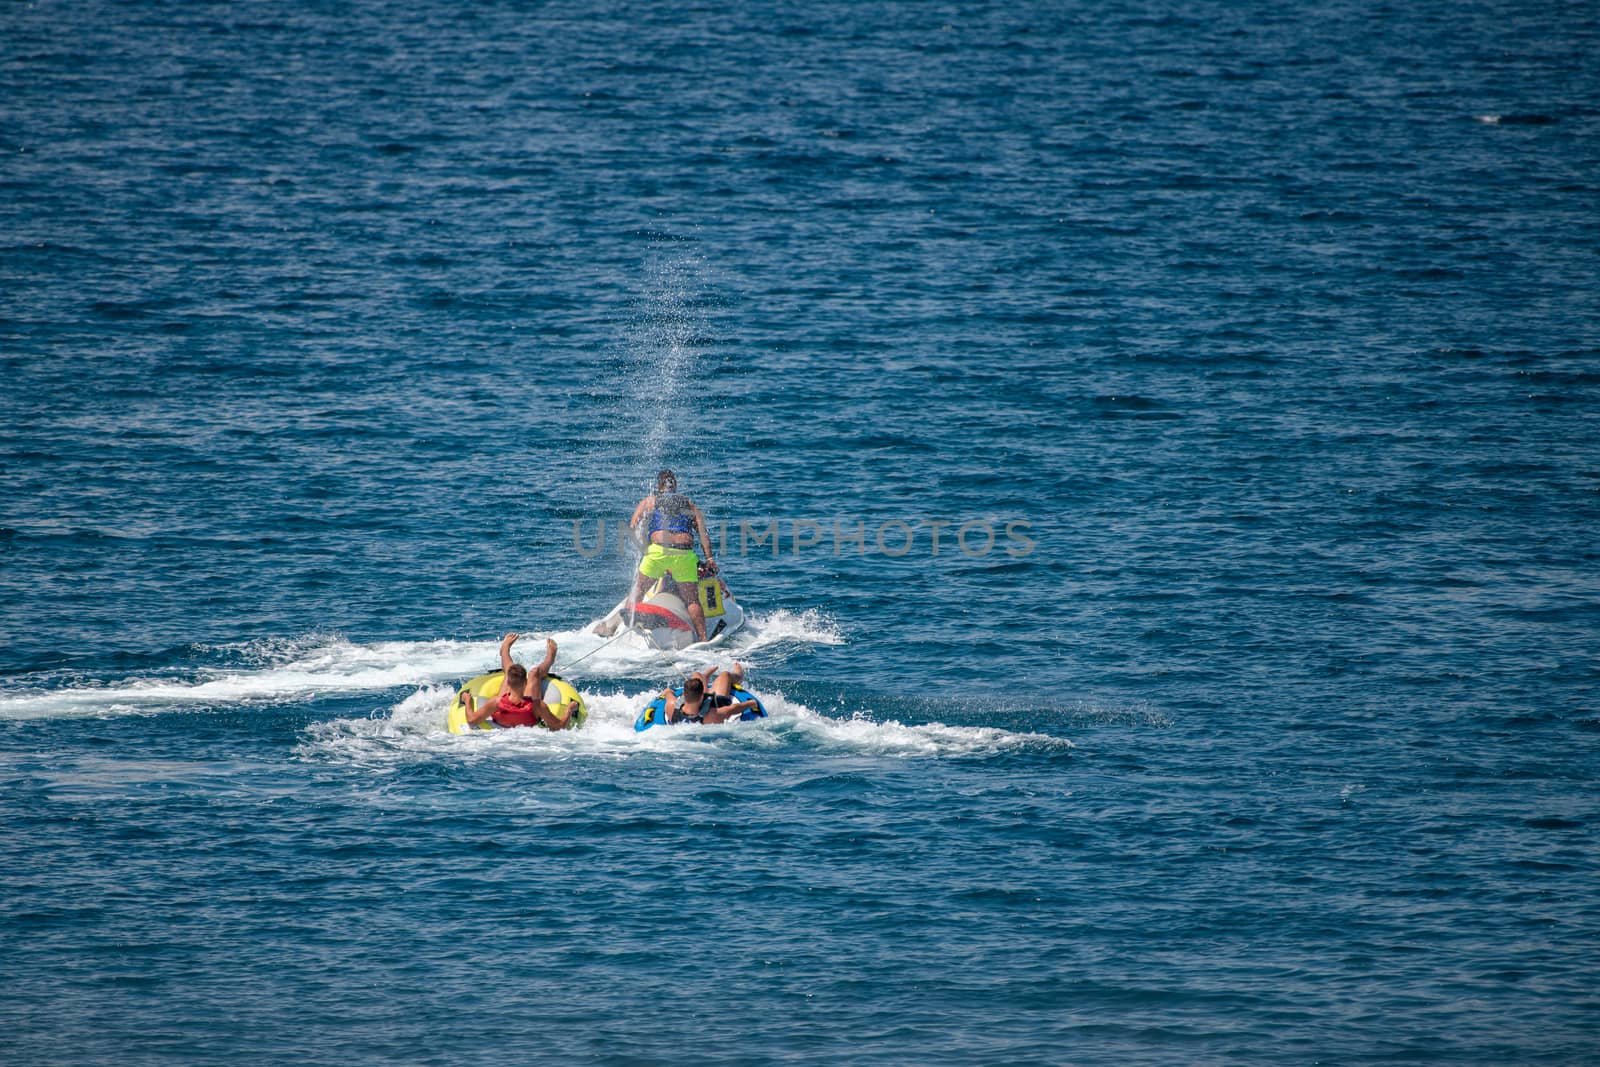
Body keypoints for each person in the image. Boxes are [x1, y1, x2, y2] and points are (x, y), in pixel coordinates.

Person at [628, 468, 719, 642]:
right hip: (683, 555)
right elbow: (703, 533)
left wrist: (644, 548)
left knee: (638, 591)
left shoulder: (650, 501)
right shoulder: (690, 504)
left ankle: (630, 630)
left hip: (658, 552)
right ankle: (703, 639)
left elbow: (633, 526)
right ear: (674, 485)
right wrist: (709, 559)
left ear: (659, 486)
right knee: (692, 600)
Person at [462, 632, 576, 730]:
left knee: (509, 670)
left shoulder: (496, 702)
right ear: (525, 684)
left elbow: (471, 721)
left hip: (504, 714)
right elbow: (558, 727)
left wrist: (467, 700)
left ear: (508, 684)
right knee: (534, 673)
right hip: (528, 719)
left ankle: (505, 649)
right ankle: (550, 658)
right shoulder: (537, 706)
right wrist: (569, 710)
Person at [660, 662, 759, 725]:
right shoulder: (712, 715)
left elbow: (668, 692)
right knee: (725, 675)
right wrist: (751, 703)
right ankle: (739, 675)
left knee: (696, 675)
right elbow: (733, 709)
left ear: (684, 694)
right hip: (716, 703)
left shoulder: (671, 707)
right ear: (703, 695)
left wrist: (667, 692)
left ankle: (703, 677)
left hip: (694, 701)